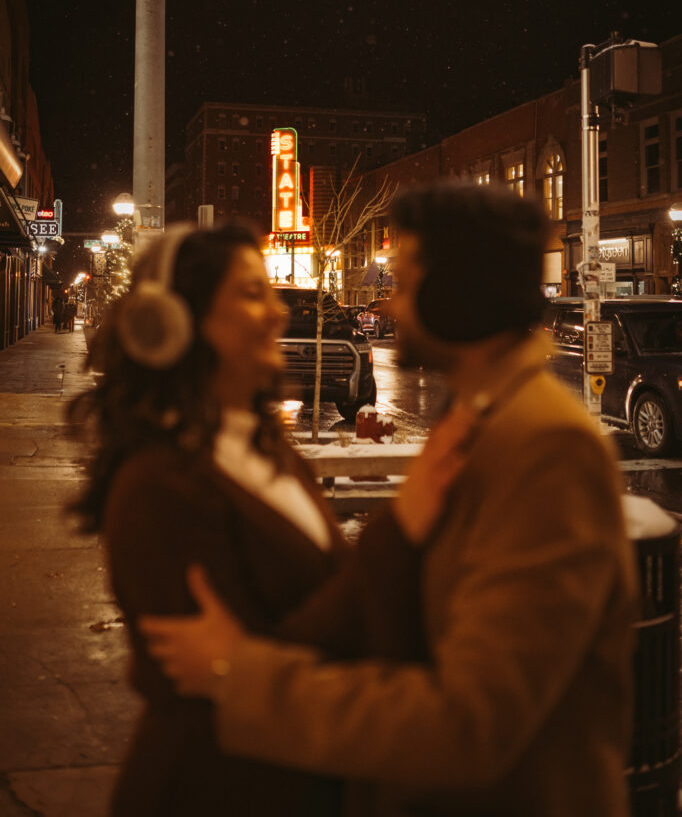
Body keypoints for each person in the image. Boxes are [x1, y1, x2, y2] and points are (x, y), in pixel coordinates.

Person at [142, 182, 639, 817]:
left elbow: (470, 724)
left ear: (454, 294)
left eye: (404, 282)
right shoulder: (482, 424)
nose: (390, 304)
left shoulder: (546, 448)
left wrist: (243, 677)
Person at [69, 219, 470, 817]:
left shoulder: (263, 446)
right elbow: (237, 676)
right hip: (212, 788)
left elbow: (268, 652)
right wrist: (400, 528)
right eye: (252, 294)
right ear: (178, 322)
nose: (279, 313)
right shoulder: (157, 486)